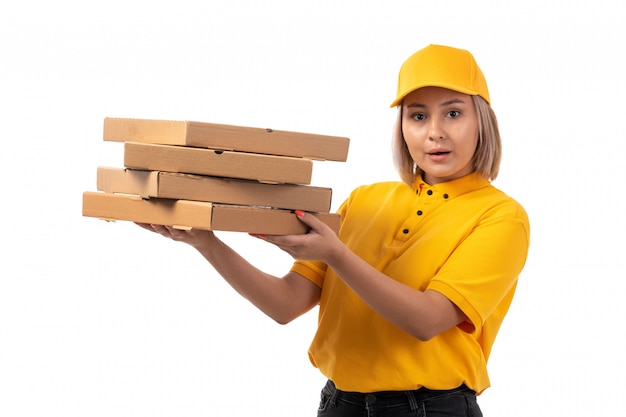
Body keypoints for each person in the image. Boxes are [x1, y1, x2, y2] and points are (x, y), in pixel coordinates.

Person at [137, 44, 530, 416]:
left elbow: (426, 321)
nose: (434, 132)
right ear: (403, 126)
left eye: (454, 113)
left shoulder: (500, 216)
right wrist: (206, 242)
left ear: (484, 121)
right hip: (340, 403)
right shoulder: (364, 199)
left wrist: (335, 254)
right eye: (418, 115)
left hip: (431, 407)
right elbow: (285, 304)